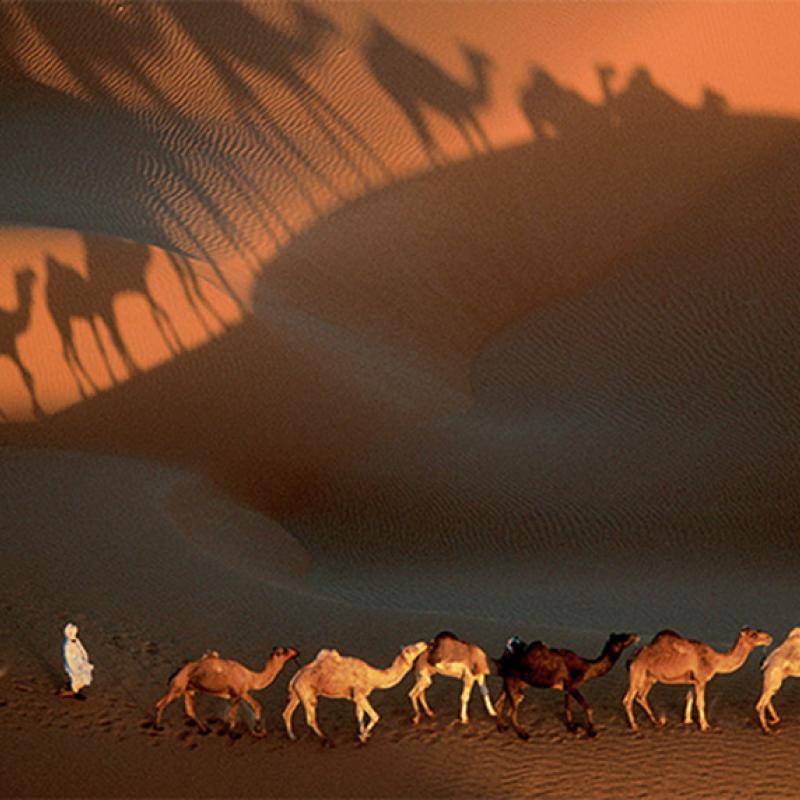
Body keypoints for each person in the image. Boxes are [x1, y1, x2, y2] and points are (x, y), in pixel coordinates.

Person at [61, 623, 94, 699]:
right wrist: (71, 665)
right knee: (75, 675)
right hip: (73, 663)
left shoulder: (76, 640)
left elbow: (82, 651)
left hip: (79, 661)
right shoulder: (67, 644)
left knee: (81, 674)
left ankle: (74, 689)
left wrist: (84, 658)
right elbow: (68, 656)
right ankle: (74, 692)